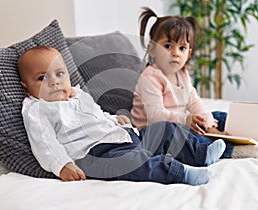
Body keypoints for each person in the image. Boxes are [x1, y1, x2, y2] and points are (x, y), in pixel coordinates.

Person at [17, 46, 226, 186]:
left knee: (164, 130)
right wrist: (62, 165)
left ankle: (201, 152)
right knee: (135, 162)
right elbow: (44, 142)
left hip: (123, 136)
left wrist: (114, 120)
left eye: (59, 74)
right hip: (95, 154)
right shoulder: (37, 109)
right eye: (42, 78)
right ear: (26, 88)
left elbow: (96, 115)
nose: (54, 82)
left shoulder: (77, 95)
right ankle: (182, 174)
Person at [131, 7, 258, 158]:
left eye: (182, 48)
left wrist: (208, 123)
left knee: (220, 117)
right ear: (152, 49)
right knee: (181, 136)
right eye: (168, 46)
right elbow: (155, 115)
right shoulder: (151, 77)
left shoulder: (182, 74)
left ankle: (251, 137)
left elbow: (194, 101)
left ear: (189, 53)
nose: (175, 53)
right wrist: (186, 119)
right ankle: (228, 151)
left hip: (181, 121)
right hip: (156, 133)